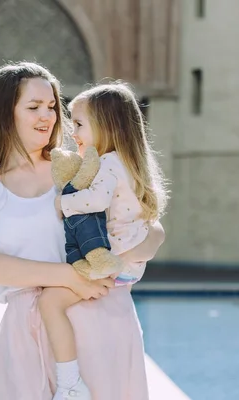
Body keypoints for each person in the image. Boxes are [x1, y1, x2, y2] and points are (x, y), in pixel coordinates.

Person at [0, 61, 166, 400]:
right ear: (5, 113)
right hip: (25, 333)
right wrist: (67, 276)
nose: (48, 116)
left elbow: (146, 222)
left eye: (52, 107)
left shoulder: (78, 169)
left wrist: (136, 250)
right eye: (33, 107)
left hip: (100, 316)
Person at [37, 82, 169, 399]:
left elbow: (95, 201)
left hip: (112, 262)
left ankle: (69, 383)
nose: (73, 132)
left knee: (50, 303)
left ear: (106, 126)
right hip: (128, 268)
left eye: (79, 124)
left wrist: (62, 204)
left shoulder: (109, 163)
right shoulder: (131, 165)